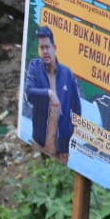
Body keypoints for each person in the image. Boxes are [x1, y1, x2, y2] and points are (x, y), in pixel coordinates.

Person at [23, 26, 81, 164]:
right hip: (39, 142)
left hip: (62, 150)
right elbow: (29, 93)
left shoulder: (67, 74)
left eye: (47, 47)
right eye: (41, 48)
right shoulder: (34, 67)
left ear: (54, 47)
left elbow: (77, 108)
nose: (44, 51)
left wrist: (68, 131)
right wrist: (49, 93)